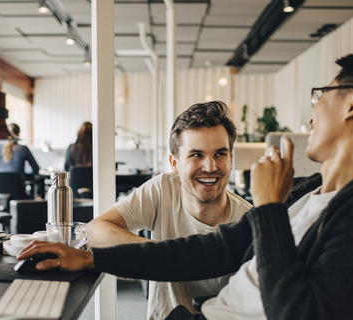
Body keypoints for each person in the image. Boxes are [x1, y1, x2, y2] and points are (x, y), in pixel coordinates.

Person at [18, 50, 353, 320]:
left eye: (320, 95)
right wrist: (92, 260)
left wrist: (270, 207)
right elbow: (215, 249)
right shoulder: (310, 190)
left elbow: (300, 312)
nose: (312, 114)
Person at [85, 102, 252, 319]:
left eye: (220, 154)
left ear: (231, 159)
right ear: (175, 163)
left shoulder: (249, 220)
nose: (210, 167)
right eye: (196, 155)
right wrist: (164, 256)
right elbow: (96, 230)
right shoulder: (163, 190)